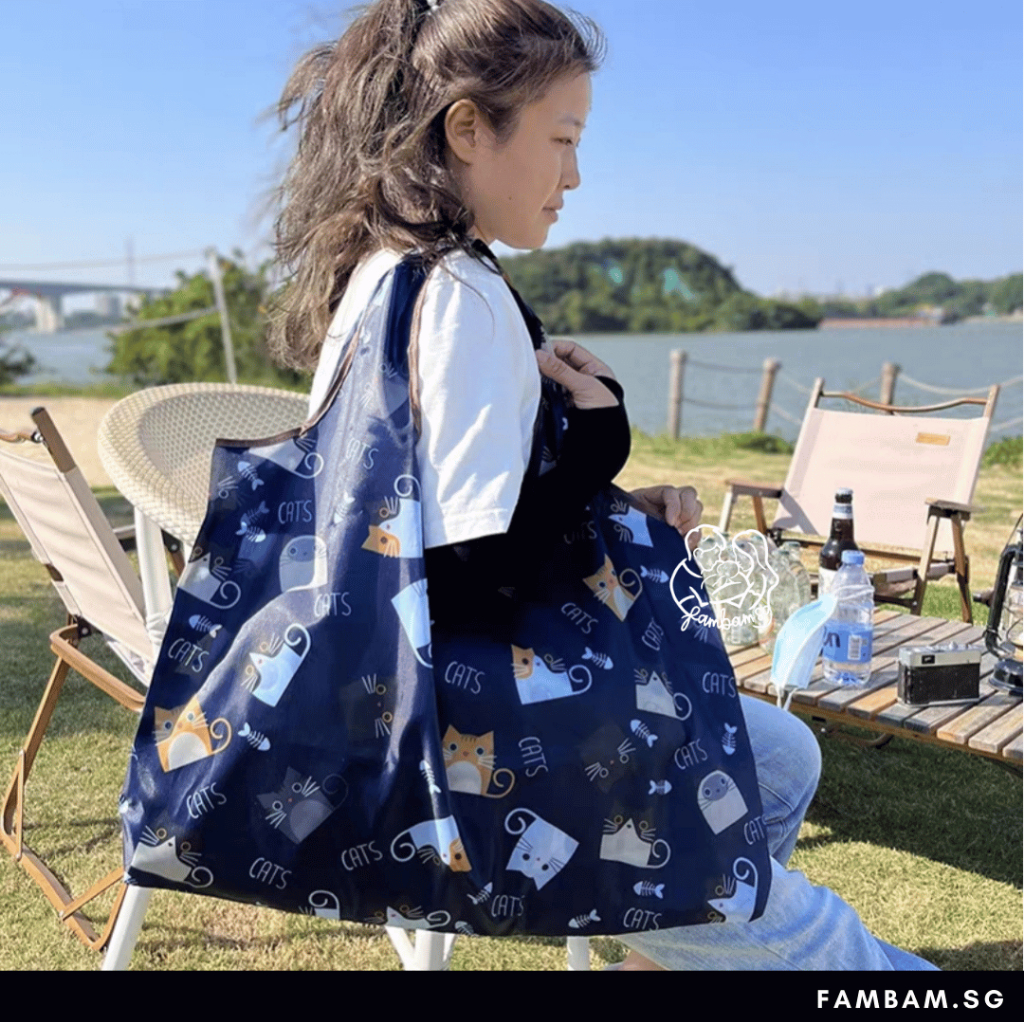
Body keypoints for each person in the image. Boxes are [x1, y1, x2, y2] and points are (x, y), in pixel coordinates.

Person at [270, 0, 937, 971]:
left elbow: (433, 517)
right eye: (563, 138)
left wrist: (601, 493)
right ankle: (724, 927)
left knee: (783, 756)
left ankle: (679, 953)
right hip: (483, 746)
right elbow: (468, 578)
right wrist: (595, 446)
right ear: (468, 129)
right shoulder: (460, 296)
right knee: (822, 944)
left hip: (387, 705)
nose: (575, 175)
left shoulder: (389, 274)